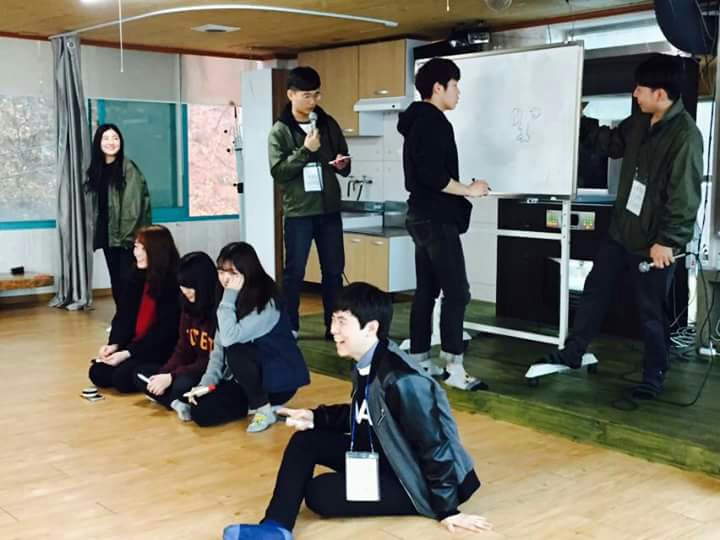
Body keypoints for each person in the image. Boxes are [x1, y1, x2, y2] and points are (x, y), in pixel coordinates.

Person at [223, 283, 491, 540]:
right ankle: (275, 528)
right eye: (333, 320)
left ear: (371, 328)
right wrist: (317, 417)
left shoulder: (403, 380)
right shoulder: (368, 360)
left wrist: (447, 509)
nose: (333, 330)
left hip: (417, 480)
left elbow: (435, 444)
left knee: (319, 493)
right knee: (306, 441)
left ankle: (425, 502)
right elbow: (366, 411)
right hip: (388, 456)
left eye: (342, 322)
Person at [539, 54, 703, 400]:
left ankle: (654, 375)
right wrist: (577, 119)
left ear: (660, 94)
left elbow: (685, 197)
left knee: (651, 313)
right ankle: (573, 352)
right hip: (620, 232)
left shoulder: (686, 136)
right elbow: (612, 144)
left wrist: (668, 241)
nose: (634, 94)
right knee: (594, 291)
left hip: (653, 242)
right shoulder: (641, 121)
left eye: (640, 89)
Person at [397, 57, 490, 391]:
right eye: (454, 85)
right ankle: (455, 367)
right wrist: (470, 189)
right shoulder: (433, 122)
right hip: (435, 218)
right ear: (438, 88)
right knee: (457, 291)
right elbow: (434, 176)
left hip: (420, 215)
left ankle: (421, 359)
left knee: (427, 290)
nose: (458, 92)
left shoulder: (416, 120)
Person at [183, 242, 310, 433]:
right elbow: (218, 348)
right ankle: (256, 405)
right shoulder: (229, 298)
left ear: (248, 272)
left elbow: (229, 338)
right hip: (245, 379)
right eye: (221, 272)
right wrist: (206, 383)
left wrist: (229, 295)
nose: (225, 279)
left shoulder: (265, 302)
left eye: (233, 273)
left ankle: (263, 409)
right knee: (200, 408)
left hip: (277, 382)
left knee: (235, 350)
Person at [268, 66, 351, 341]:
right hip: (299, 213)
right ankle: (290, 326)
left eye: (316, 94)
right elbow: (279, 172)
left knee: (334, 272)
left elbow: (344, 157)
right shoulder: (280, 131)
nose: (313, 101)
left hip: (329, 211)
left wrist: (342, 164)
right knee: (294, 273)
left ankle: (334, 326)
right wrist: (305, 150)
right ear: (291, 94)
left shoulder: (328, 124)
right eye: (306, 95)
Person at [88, 225, 180, 393]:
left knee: (121, 378)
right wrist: (114, 345)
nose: (136, 253)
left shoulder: (171, 283)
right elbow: (124, 315)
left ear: (156, 251)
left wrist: (127, 353)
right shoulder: (137, 274)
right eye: (136, 247)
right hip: (135, 344)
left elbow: (163, 333)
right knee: (97, 372)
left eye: (142, 248)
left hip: (158, 348)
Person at [133, 252, 218, 419]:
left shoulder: (218, 312)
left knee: (181, 385)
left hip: (207, 372)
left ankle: (172, 398)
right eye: (182, 285)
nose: (184, 290)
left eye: (189, 285)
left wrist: (172, 377)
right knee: (140, 374)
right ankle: (176, 403)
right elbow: (182, 349)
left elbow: (211, 361)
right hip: (188, 368)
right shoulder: (187, 307)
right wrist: (163, 374)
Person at [86, 123, 152, 310]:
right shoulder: (97, 169)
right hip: (109, 236)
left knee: (128, 282)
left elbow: (133, 208)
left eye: (115, 138)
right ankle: (122, 319)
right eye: (106, 138)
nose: (111, 142)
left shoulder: (127, 168)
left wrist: (127, 238)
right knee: (116, 280)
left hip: (126, 238)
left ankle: (131, 321)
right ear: (98, 142)